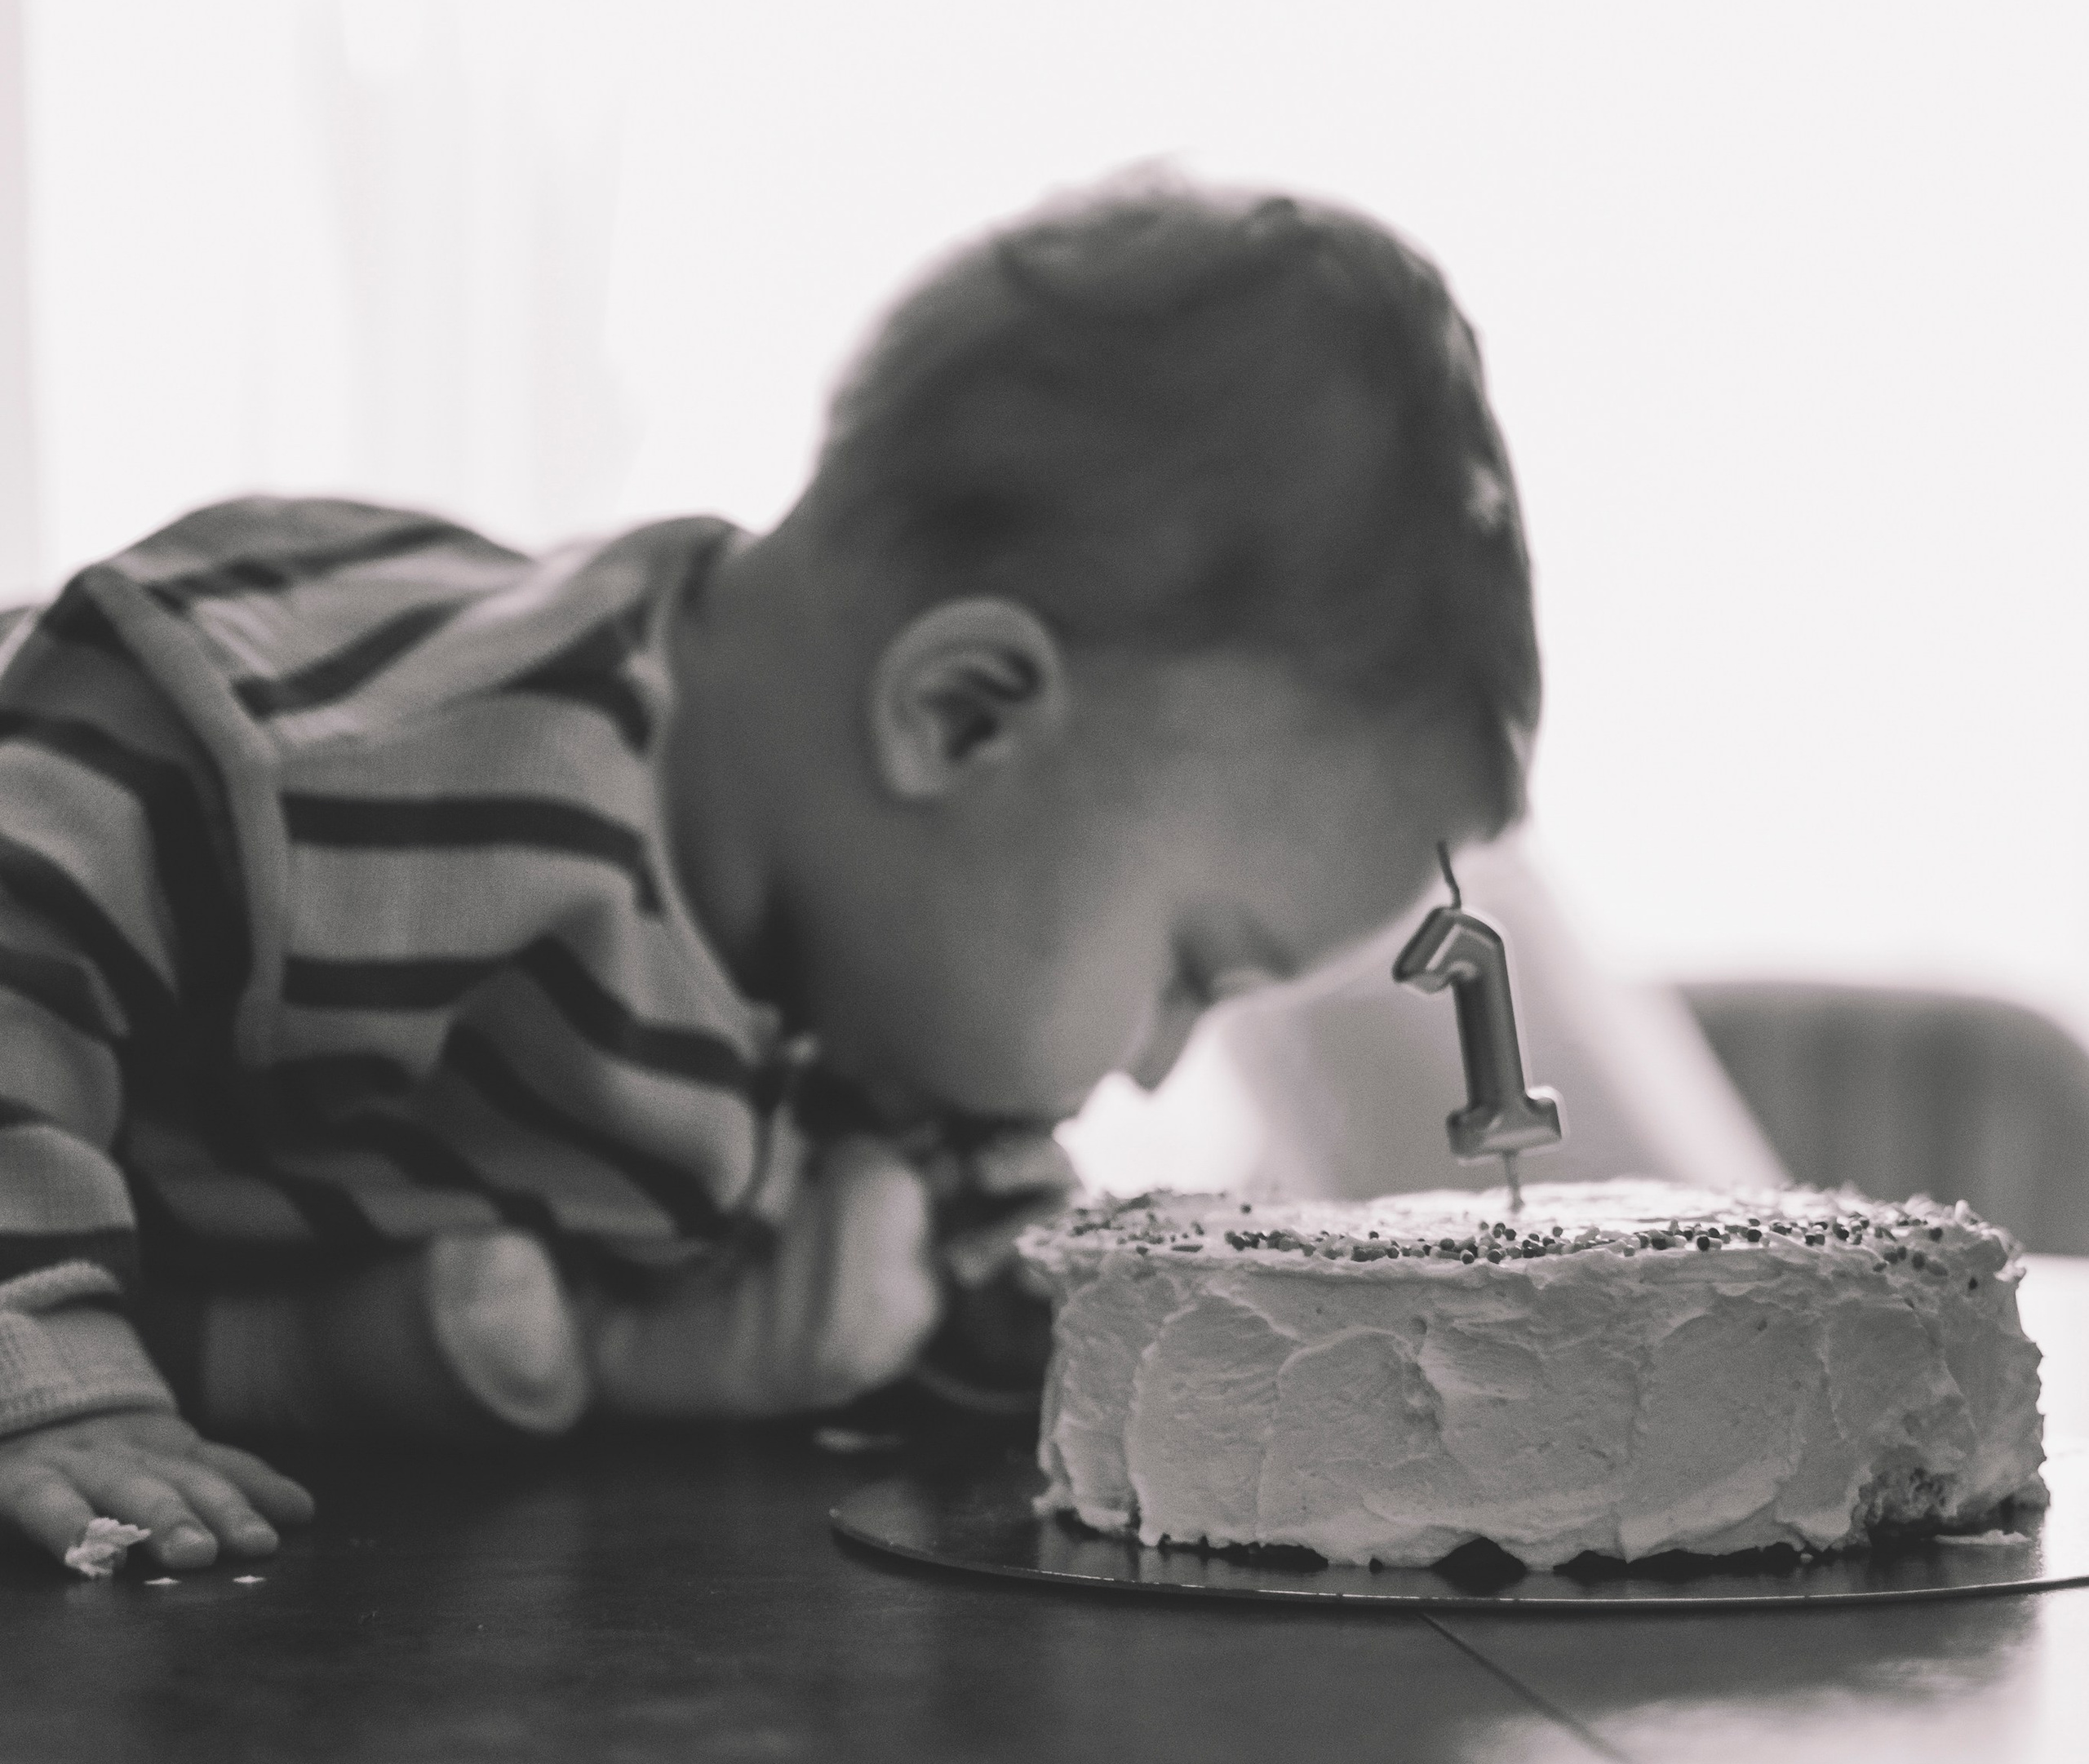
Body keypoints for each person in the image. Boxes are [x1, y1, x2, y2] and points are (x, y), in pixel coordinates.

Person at [0, 177, 1540, 1576]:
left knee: (783, 1293)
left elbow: (1017, 1317)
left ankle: (348, 1353)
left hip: (278, 1330)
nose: (1154, 1058)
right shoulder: (327, 749)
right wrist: (49, 1376)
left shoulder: (898, 994)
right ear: (964, 713)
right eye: (1193, 966)